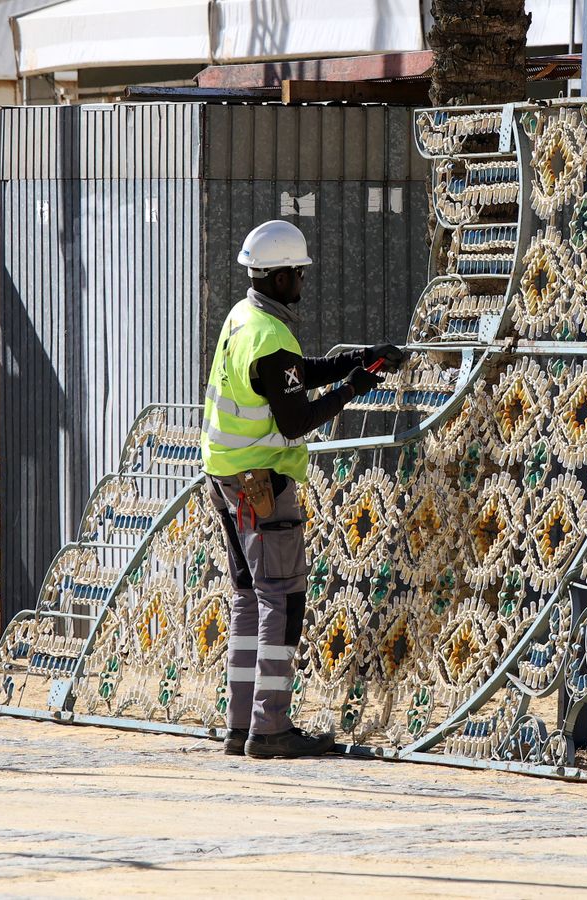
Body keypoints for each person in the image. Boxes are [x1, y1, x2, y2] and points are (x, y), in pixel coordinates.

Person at [201, 219, 406, 759]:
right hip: (261, 483)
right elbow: (295, 420)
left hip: (226, 477)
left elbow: (293, 375)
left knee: (249, 599)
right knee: (282, 601)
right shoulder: (271, 335)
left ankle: (240, 722)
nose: (302, 282)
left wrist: (356, 359)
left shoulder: (245, 318)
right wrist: (354, 388)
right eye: (297, 273)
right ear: (276, 276)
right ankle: (271, 729)